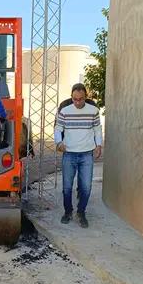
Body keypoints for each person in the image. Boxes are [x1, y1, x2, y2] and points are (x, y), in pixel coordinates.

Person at [54, 83, 102, 228]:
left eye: (80, 99)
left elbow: (97, 129)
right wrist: (59, 142)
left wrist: (98, 145)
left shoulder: (93, 111)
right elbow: (58, 128)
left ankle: (81, 212)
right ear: (72, 97)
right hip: (69, 154)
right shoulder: (65, 111)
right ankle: (68, 212)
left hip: (87, 154)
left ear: (85, 97)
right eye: (75, 99)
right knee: (67, 187)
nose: (77, 102)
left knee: (86, 187)